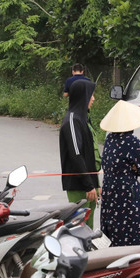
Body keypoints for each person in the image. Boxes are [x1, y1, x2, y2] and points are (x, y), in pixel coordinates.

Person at [99, 101, 140, 246]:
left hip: (109, 190)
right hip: (127, 192)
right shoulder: (132, 142)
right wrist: (133, 168)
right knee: (132, 228)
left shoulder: (109, 139)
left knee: (113, 227)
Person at [59, 79, 99, 228]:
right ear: (83, 96)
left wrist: (96, 184)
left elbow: (91, 154)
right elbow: (76, 155)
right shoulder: (71, 120)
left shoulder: (83, 119)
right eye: (91, 95)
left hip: (89, 184)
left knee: (88, 229)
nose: (93, 99)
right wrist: (88, 185)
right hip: (78, 185)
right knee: (78, 227)